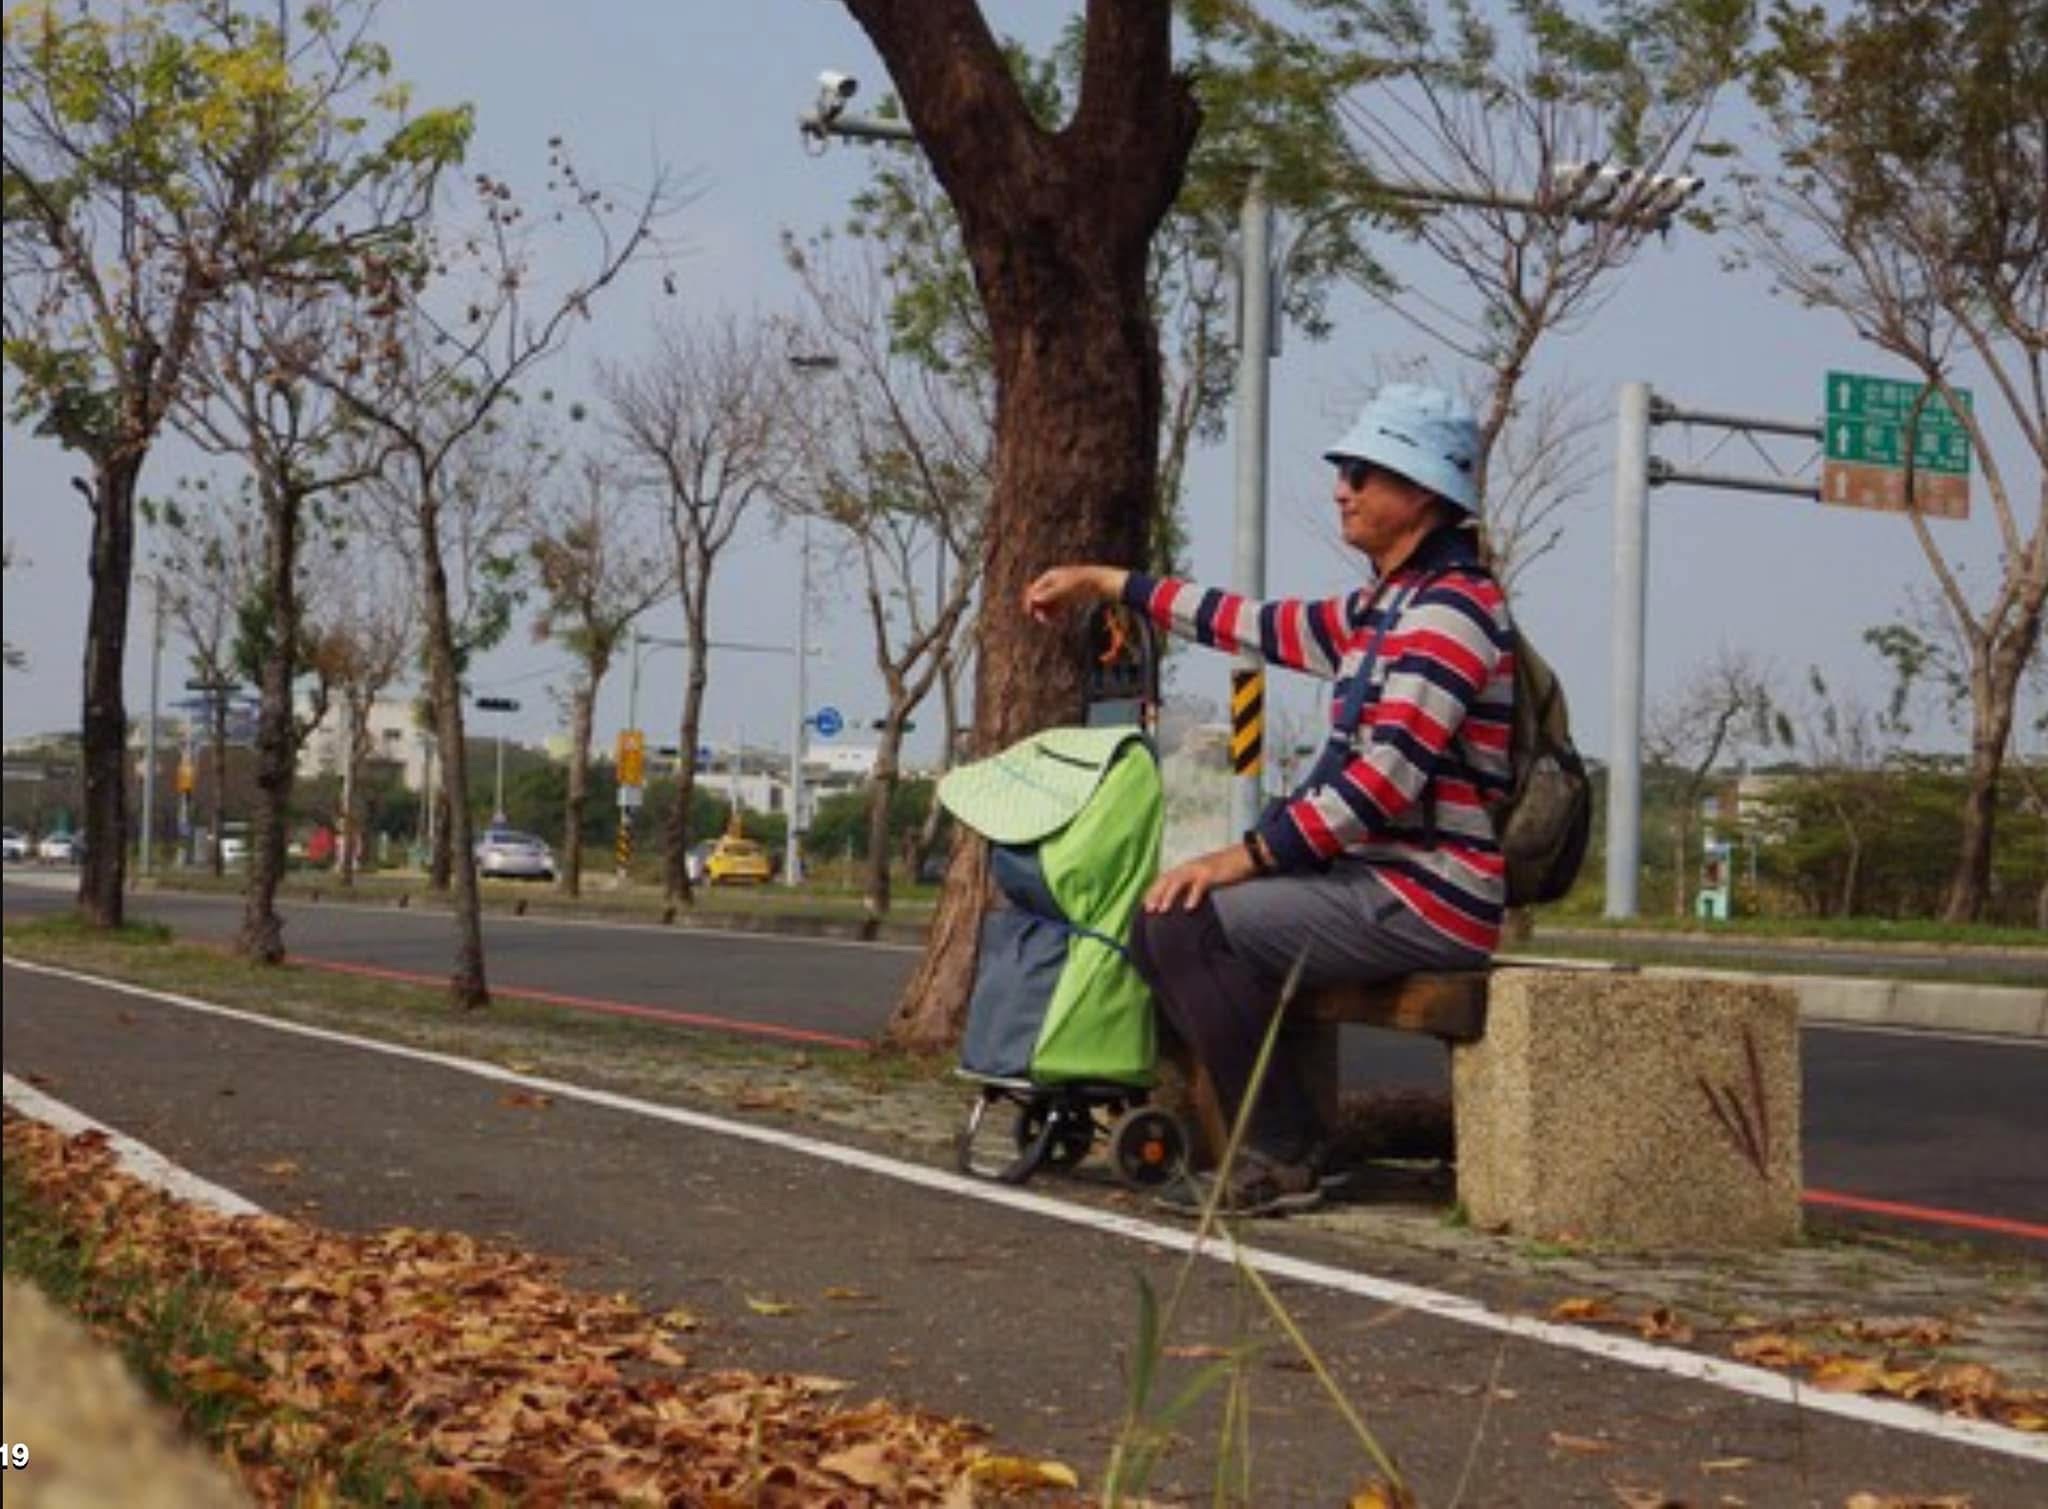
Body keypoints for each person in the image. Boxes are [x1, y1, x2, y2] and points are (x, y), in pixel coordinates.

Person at [1023, 382, 1515, 1216]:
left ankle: (1286, 1149)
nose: (1342, 489)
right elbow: (1245, 623)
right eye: (1344, 471)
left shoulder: (1451, 615)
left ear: (1425, 492)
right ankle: (1283, 1134)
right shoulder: (1381, 609)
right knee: (1172, 914)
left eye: (1364, 471)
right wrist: (1108, 581)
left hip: (1429, 892)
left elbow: (1376, 785)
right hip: (1371, 881)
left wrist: (1239, 858)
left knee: (1182, 918)